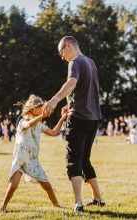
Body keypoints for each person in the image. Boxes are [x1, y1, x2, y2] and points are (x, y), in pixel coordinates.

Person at [43, 36, 105, 212]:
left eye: (62, 53)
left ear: (68, 46)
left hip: (78, 118)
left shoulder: (75, 62)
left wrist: (54, 100)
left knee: (73, 160)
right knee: (85, 159)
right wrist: (69, 105)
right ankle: (98, 198)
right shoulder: (91, 63)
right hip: (93, 118)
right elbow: (86, 91)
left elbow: (72, 83)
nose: (62, 58)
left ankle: (78, 203)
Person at [0, 95, 66, 213]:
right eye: (39, 107)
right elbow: (29, 125)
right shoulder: (22, 122)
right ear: (31, 109)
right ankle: (3, 206)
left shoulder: (40, 125)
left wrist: (62, 119)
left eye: (41, 106)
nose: (41, 108)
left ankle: (56, 205)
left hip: (33, 160)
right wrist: (42, 116)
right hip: (21, 159)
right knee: (13, 186)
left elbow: (54, 132)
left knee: (47, 186)